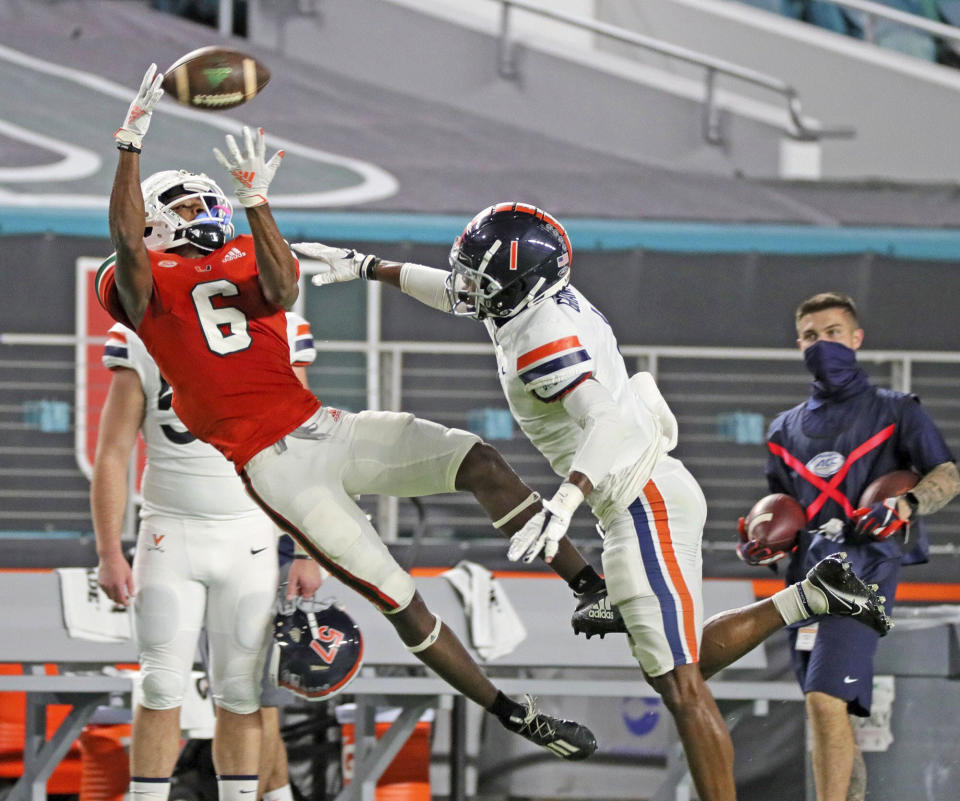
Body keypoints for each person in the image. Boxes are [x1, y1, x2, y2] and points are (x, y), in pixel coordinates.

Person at [291, 205, 893, 801]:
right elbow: (452, 290)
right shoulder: (530, 298)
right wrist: (369, 266)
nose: (470, 286)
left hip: (637, 499)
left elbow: (602, 419)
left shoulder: (540, 335)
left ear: (520, 282)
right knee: (677, 666)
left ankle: (804, 606)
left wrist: (566, 500)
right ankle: (813, 596)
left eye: (483, 277)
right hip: (647, 486)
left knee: (682, 687)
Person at [101, 65, 599, 765]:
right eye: (184, 208)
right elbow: (126, 246)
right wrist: (130, 145)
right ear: (154, 220)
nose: (201, 211)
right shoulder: (141, 285)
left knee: (478, 460)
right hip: (279, 472)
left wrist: (256, 202)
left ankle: (590, 586)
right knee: (402, 598)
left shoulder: (243, 250)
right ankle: (516, 713)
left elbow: (278, 288)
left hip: (325, 427)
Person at [92, 304, 324, 801]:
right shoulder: (140, 332)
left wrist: (307, 548)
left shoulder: (275, 326)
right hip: (169, 533)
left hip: (251, 536)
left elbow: (300, 444)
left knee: (241, 694)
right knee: (158, 684)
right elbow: (113, 450)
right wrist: (109, 550)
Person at [738, 291, 960, 801]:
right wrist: (763, 544)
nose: (823, 344)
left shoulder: (897, 410)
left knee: (822, 700)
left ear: (856, 339)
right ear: (799, 345)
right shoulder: (782, 430)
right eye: (812, 336)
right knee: (828, 712)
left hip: (864, 575)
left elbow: (946, 473)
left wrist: (907, 505)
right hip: (804, 581)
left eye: (833, 333)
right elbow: (780, 512)